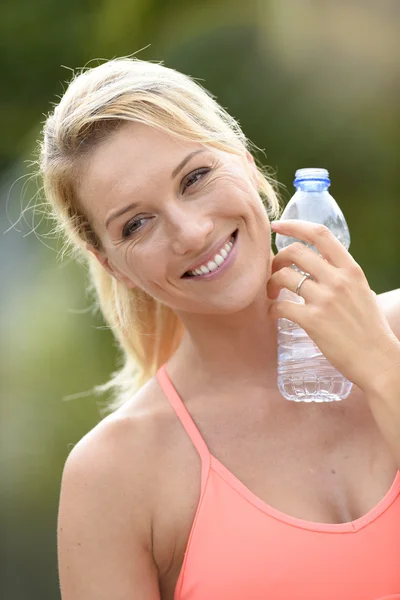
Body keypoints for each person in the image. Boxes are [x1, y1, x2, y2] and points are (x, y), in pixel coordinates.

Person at [39, 57, 400, 599]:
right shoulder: (115, 476)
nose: (190, 232)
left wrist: (380, 365)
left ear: (248, 165)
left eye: (195, 177)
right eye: (136, 224)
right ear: (113, 265)